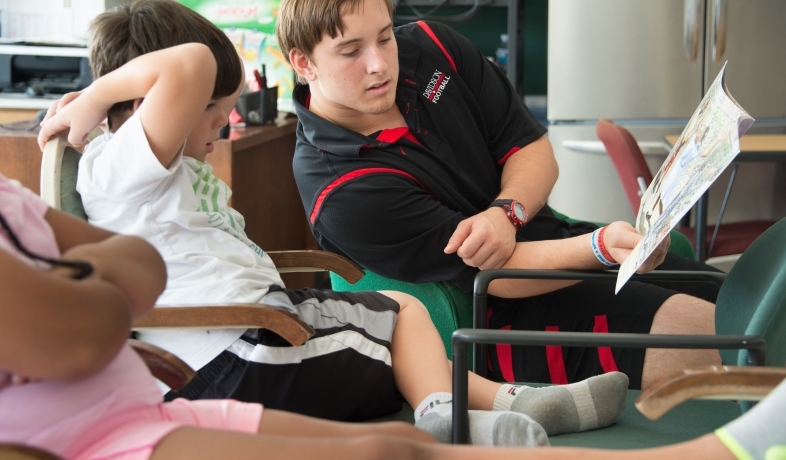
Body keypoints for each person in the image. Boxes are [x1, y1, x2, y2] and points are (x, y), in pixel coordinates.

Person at [36, 0, 633, 446]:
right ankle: (461, 414)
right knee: (399, 329)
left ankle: (490, 404)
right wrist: (96, 96)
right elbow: (190, 63)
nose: (224, 123)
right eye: (213, 110)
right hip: (238, 355)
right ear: (146, 103)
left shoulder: (155, 169)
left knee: (403, 311)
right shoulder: (121, 164)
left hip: (256, 331)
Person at [2, 171, 783, 460]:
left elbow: (142, 266)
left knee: (402, 441)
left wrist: (87, 278)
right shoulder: (340, 175)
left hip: (143, 403)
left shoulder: (13, 204)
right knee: (391, 421)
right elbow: (96, 323)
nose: (383, 63)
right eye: (356, 47)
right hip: (112, 428)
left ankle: (462, 406)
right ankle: (710, 452)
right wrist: (95, 276)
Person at [277, 0, 723, 392]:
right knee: (731, 342)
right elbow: (491, 275)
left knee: (744, 304)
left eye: (385, 37)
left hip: (557, 244)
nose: (380, 64)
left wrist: (505, 214)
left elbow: (531, 149)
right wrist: (601, 248)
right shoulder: (340, 189)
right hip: (504, 320)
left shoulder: (432, 45)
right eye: (352, 51)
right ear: (304, 64)